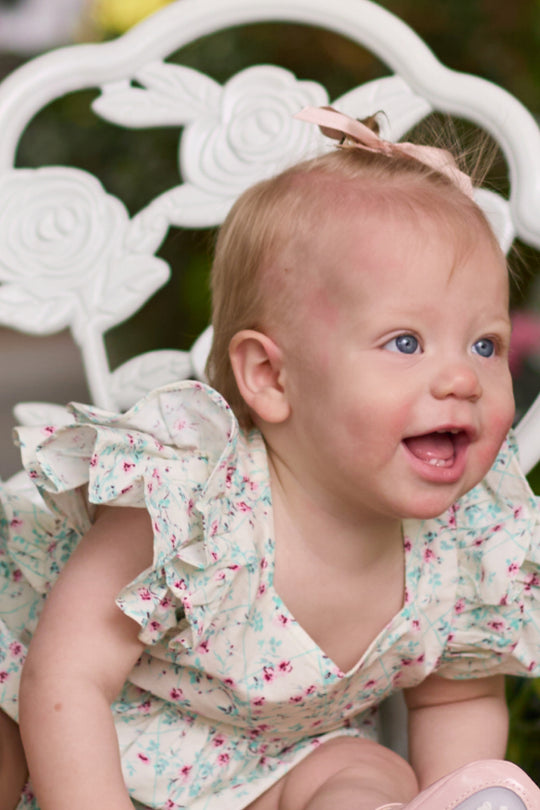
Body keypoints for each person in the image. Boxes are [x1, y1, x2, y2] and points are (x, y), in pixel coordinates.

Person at [1, 105, 540, 810]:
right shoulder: (191, 509)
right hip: (68, 727)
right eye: (405, 343)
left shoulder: (467, 543)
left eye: (485, 344)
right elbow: (65, 677)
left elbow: (455, 700)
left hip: (275, 758)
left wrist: (453, 790)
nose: (463, 379)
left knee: (369, 774)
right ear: (271, 377)